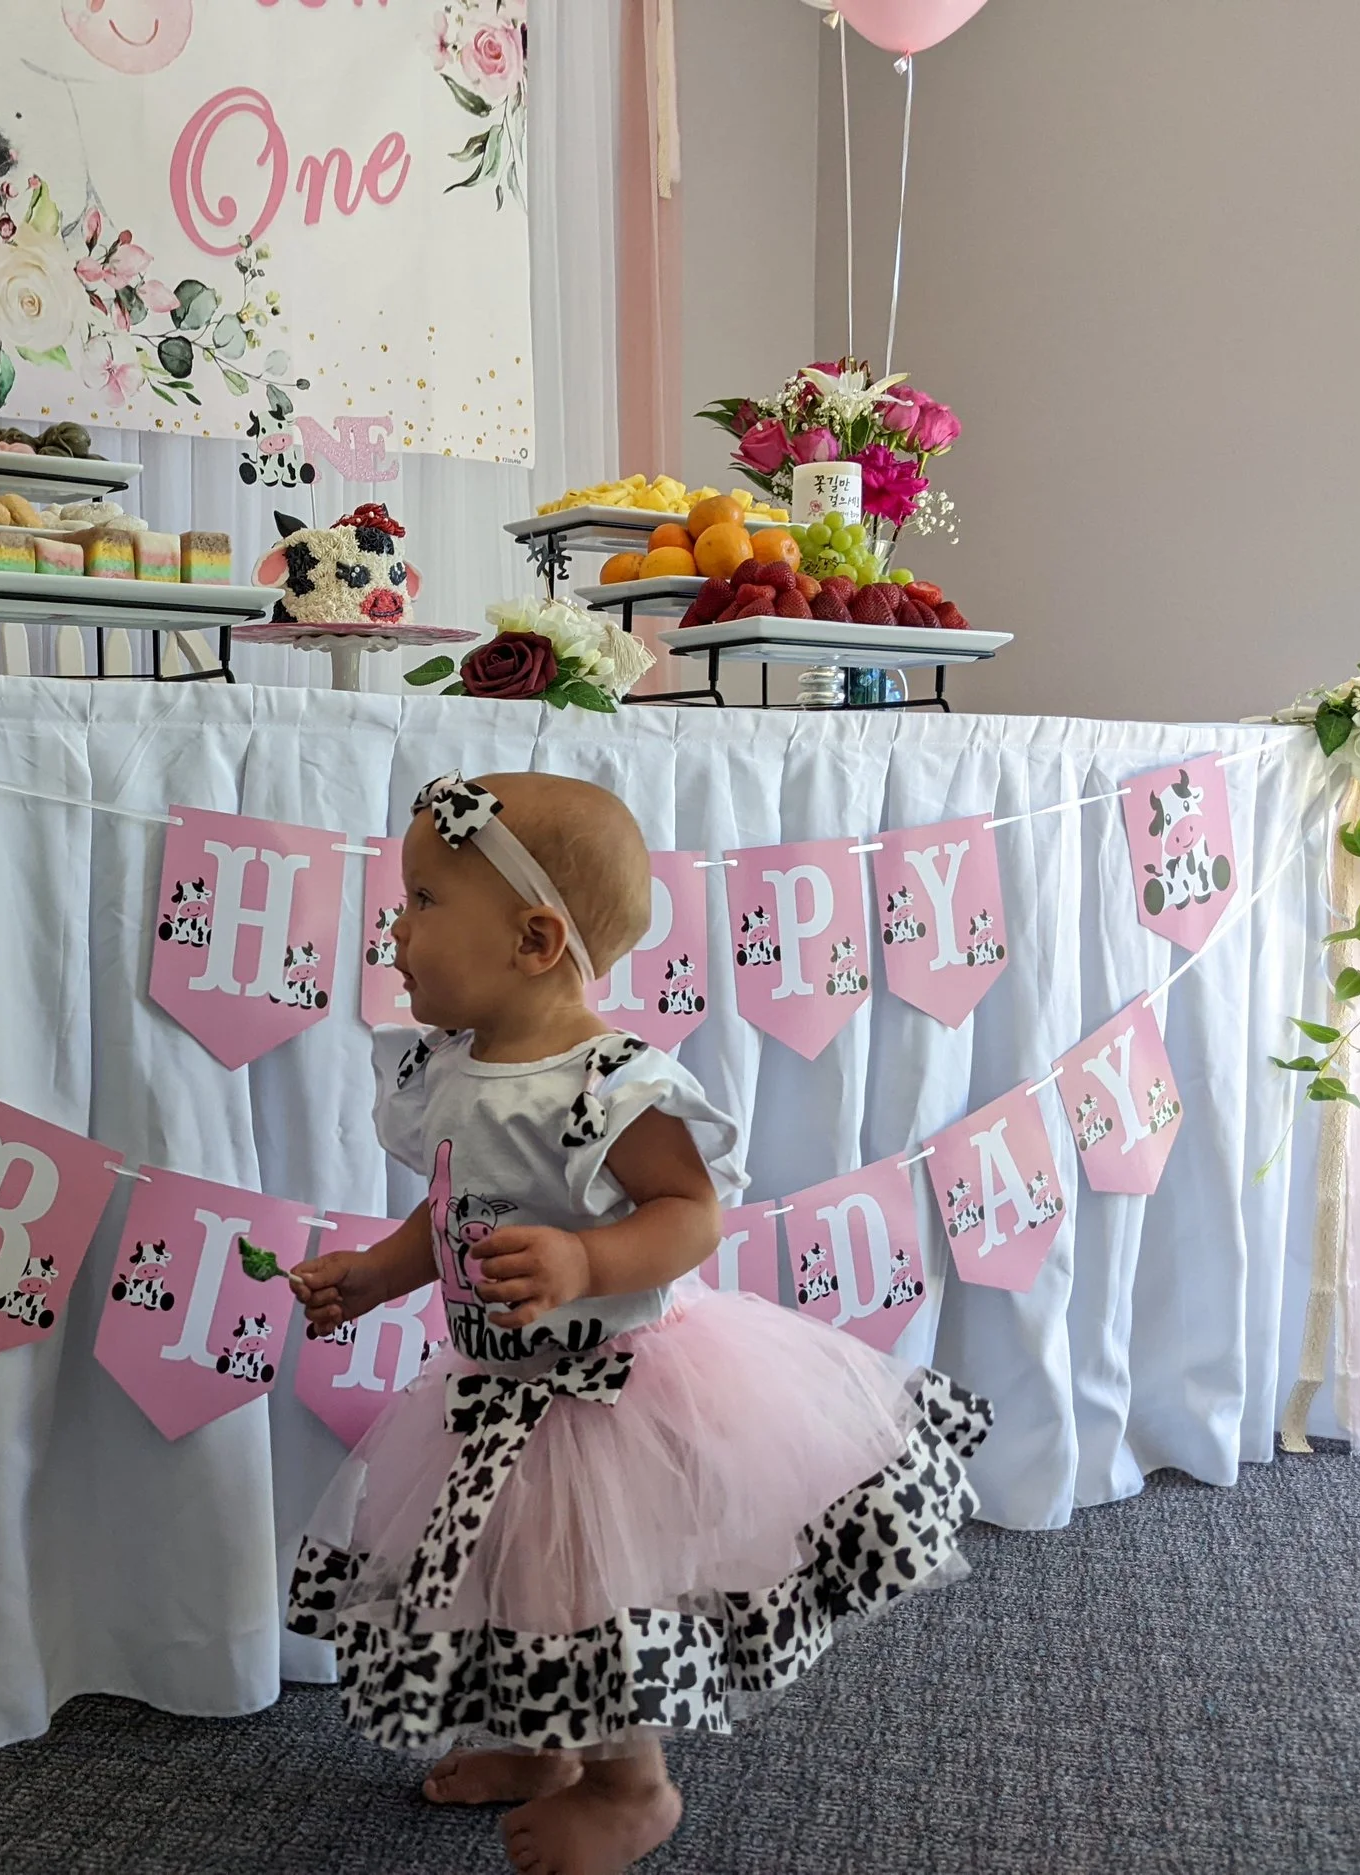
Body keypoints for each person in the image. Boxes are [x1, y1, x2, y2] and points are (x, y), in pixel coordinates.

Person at [286, 771, 990, 1875]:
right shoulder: (446, 1071)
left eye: (423, 901)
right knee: (513, 1578)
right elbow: (453, 1212)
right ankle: (539, 1746)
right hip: (488, 1389)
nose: (395, 927)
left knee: (590, 1591)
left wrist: (583, 1259)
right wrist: (377, 1276)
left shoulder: (611, 1086)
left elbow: (689, 1217)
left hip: (604, 1391)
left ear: (531, 938)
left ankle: (631, 1784)